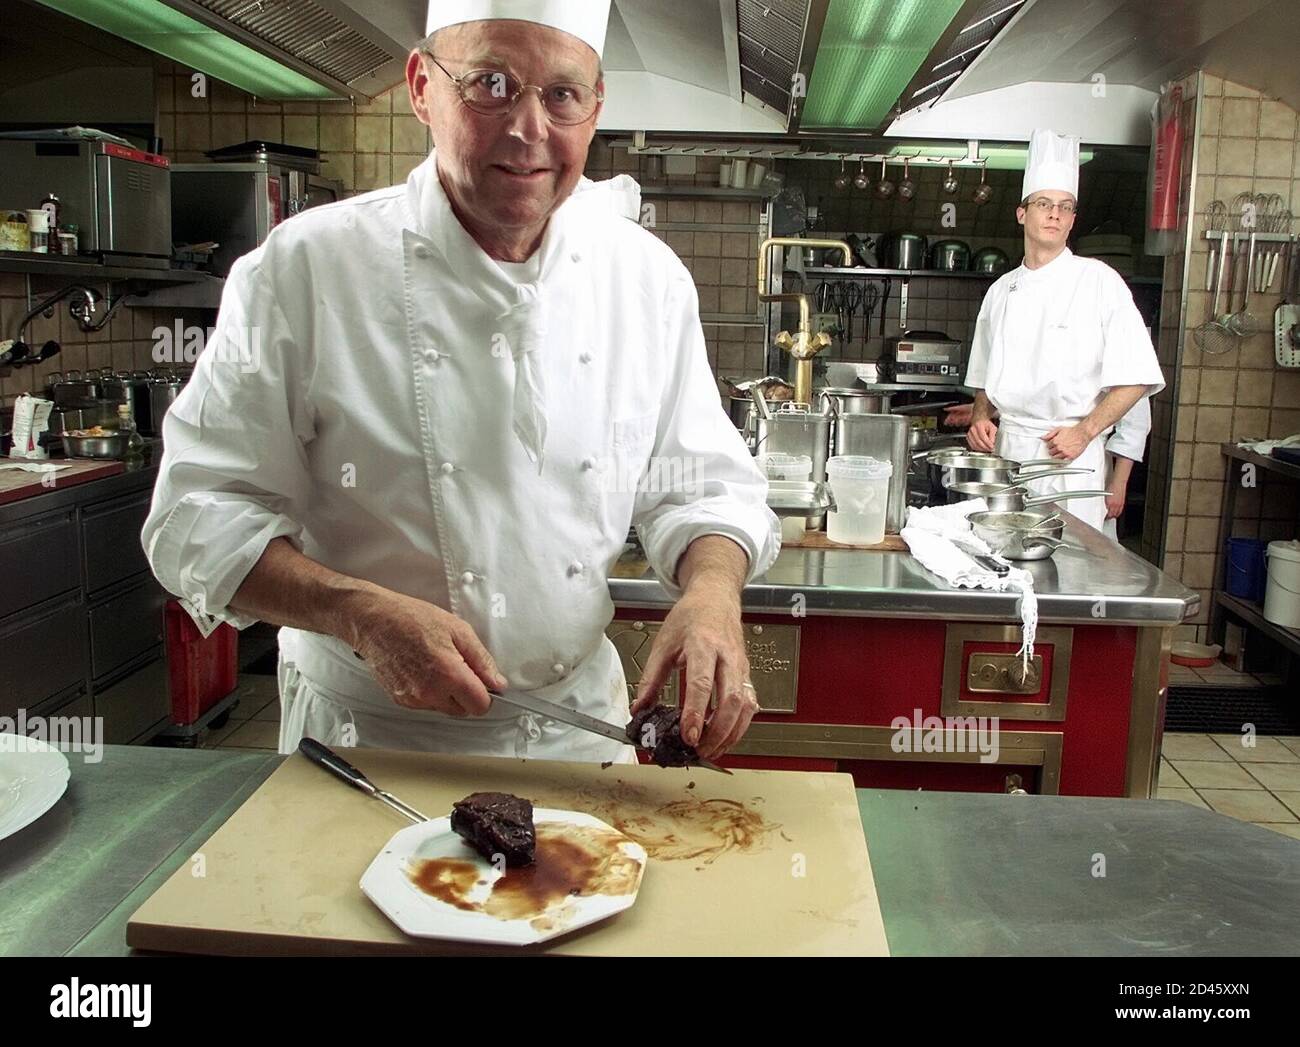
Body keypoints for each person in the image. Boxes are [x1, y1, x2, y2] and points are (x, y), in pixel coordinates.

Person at [142, 0, 779, 765]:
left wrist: (712, 594)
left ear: (596, 106)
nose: (528, 128)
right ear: (421, 86)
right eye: (492, 84)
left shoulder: (645, 279)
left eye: (562, 95)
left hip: (579, 737)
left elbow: (703, 487)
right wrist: (357, 613)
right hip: (368, 741)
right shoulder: (302, 271)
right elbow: (195, 517)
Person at [964, 129, 1164, 532]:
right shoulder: (1000, 291)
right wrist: (980, 416)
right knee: (1005, 556)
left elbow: (1138, 379)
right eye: (1044, 204)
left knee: (1070, 567)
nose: (1054, 214)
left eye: (1065, 207)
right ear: (1022, 213)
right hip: (1009, 452)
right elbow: (984, 374)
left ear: (1073, 220)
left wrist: (1085, 432)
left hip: (1070, 456)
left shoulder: (1099, 282)